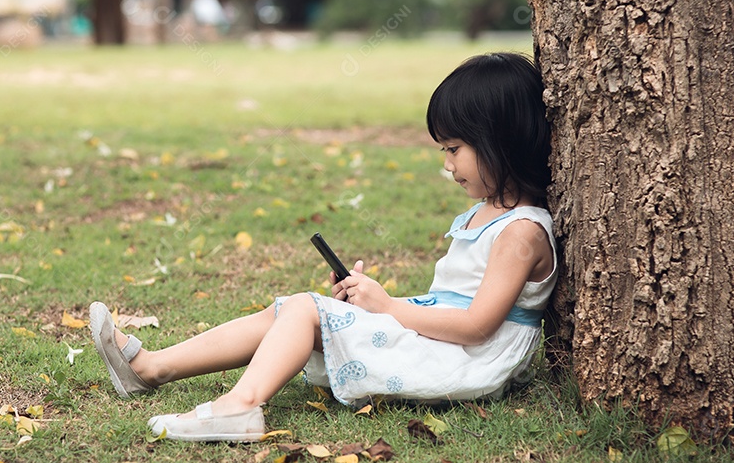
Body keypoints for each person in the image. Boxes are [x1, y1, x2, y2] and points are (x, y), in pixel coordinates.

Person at [89, 51, 557, 442]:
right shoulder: (490, 212)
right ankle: (152, 369)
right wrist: (373, 302)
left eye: (455, 149)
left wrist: (388, 305)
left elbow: (477, 326)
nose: (449, 164)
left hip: (467, 360)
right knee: (293, 307)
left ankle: (242, 406)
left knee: (307, 311)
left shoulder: (522, 232)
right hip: (443, 339)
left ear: (502, 141)